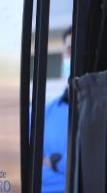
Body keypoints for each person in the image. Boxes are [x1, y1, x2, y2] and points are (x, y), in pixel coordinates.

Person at [41, 28, 72, 193]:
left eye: (79, 50)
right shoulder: (43, 114)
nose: (73, 56)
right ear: (63, 57)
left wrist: (54, 163)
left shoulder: (106, 109)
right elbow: (28, 171)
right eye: (69, 50)